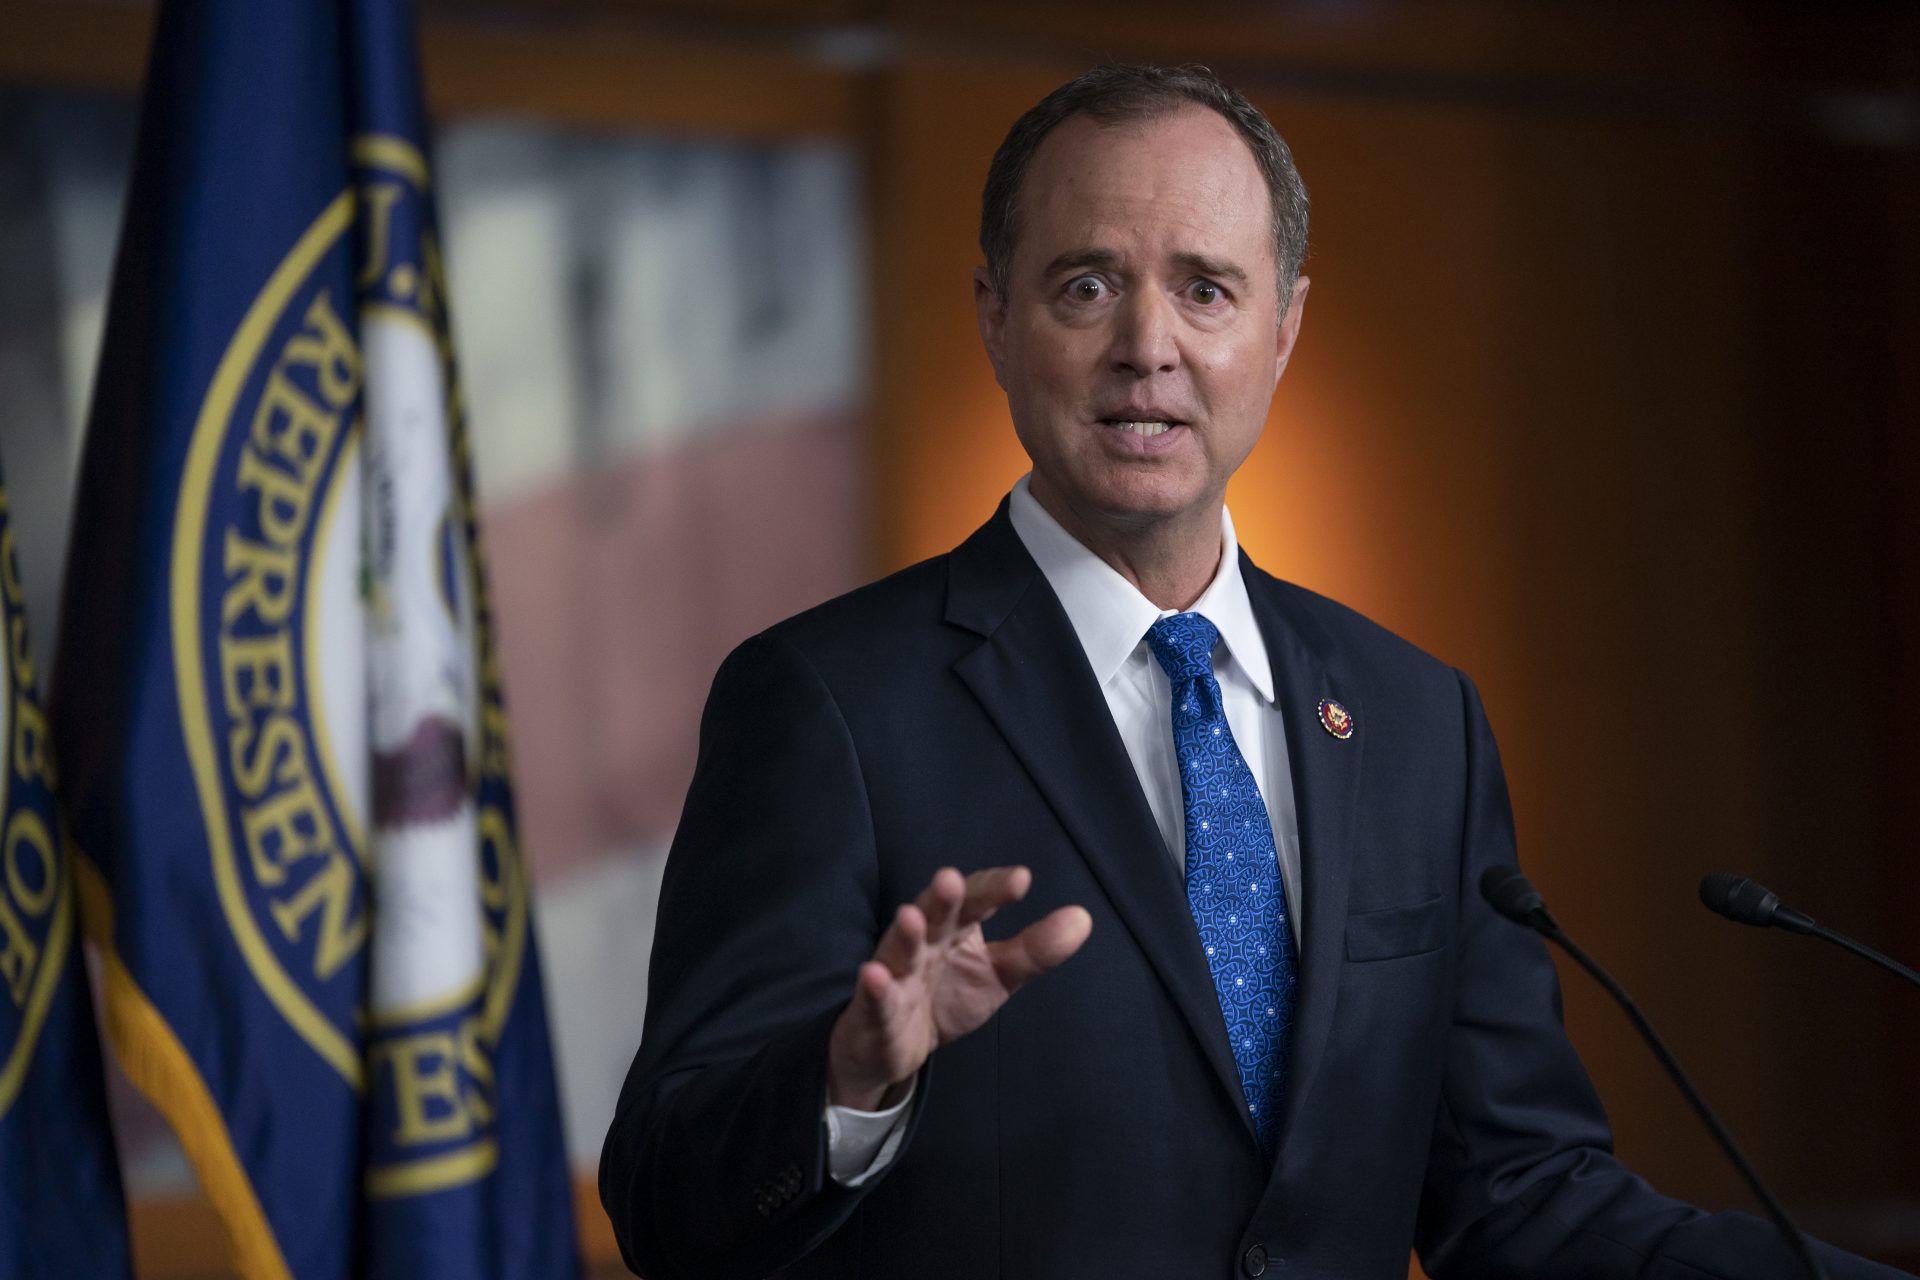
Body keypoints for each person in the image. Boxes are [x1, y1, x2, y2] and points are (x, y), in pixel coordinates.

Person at [600, 64, 1910, 1280]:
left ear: (1282, 330)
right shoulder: (829, 703)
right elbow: (666, 1208)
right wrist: (848, 1087)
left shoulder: (1415, 720)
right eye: (1085, 286)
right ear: (995, 320)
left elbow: (1520, 1195)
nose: (1147, 347)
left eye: (1206, 290)